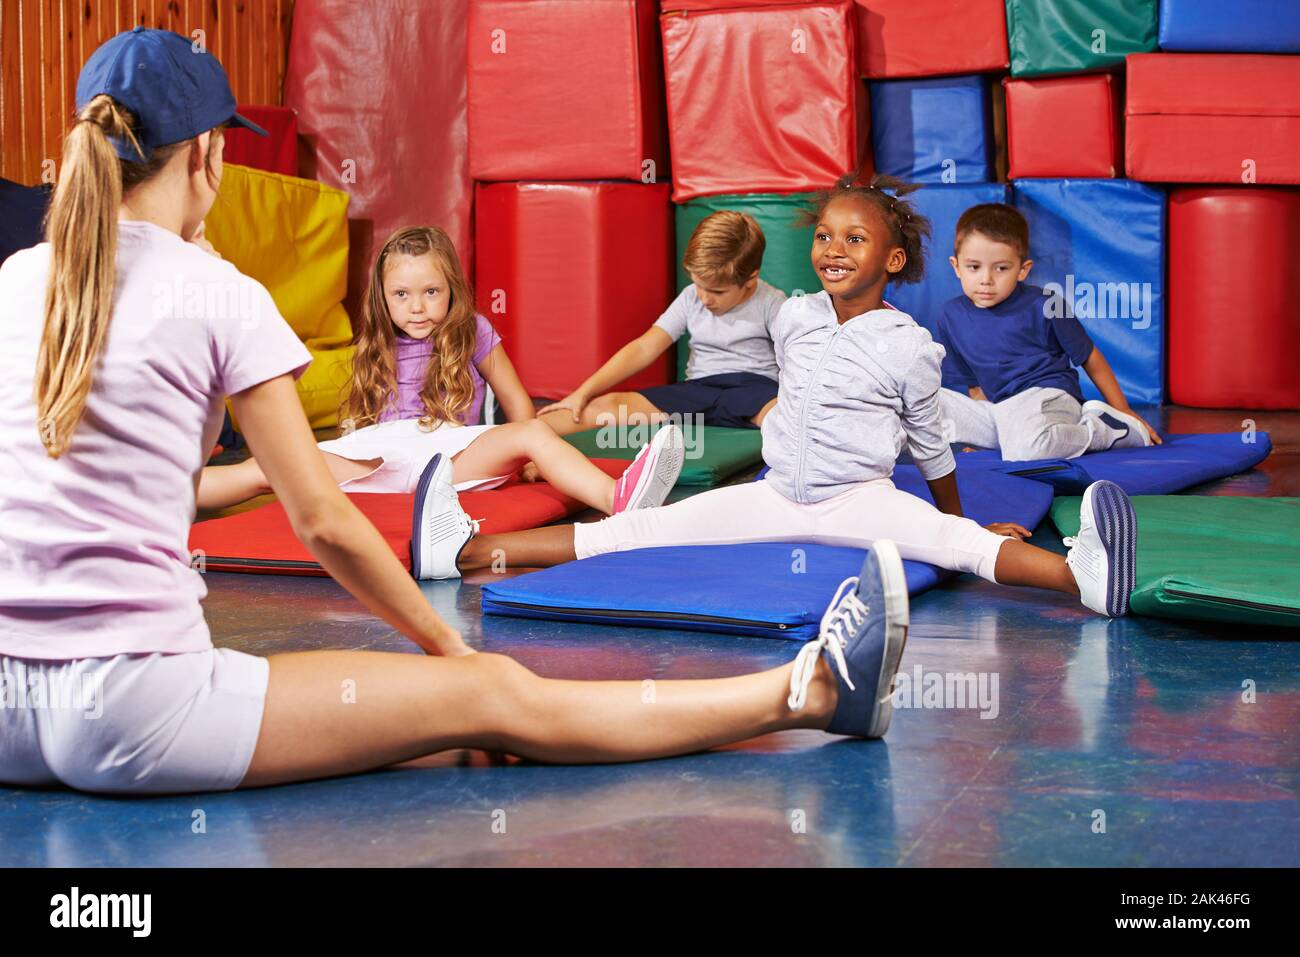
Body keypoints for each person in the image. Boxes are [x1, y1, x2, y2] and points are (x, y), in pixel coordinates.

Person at [0, 29, 908, 796]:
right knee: (495, 693)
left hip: (9, 709)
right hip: (137, 709)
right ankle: (813, 689)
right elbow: (323, 520)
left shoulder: (16, 280)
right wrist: (449, 648)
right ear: (207, 154)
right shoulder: (218, 290)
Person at [421, 173, 1139, 620]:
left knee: (959, 547)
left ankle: (1083, 575)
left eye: (854, 239)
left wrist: (973, 523)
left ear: (892, 261)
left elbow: (929, 443)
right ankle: (465, 551)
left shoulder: (908, 343)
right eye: (825, 235)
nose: (832, 248)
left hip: (859, 496)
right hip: (773, 493)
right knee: (629, 532)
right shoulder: (795, 316)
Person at [197, 225, 685, 530]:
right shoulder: (378, 340)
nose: (417, 307)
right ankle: (155, 496)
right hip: (380, 457)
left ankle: (616, 499)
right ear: (383, 298)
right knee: (267, 467)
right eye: (402, 295)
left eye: (431, 292)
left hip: (452, 456)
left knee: (534, 431)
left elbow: (516, 402)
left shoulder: (474, 329)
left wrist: (527, 458)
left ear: (451, 288)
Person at [936, 202, 1161, 461]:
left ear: (1023, 270)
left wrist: (1123, 410)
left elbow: (1090, 358)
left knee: (1023, 450)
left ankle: (1103, 430)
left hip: (1049, 397)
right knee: (929, 404)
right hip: (1002, 410)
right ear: (956, 266)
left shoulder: (1048, 304)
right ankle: (1008, 438)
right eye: (974, 267)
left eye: (1001, 268)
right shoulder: (948, 316)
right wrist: (979, 433)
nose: (986, 279)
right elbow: (975, 388)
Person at [538, 211, 784, 435]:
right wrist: (582, 393)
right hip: (698, 391)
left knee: (782, 415)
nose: (705, 298)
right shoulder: (690, 297)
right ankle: (525, 440)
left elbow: (796, 363)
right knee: (606, 405)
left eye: (717, 292)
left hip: (753, 389)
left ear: (751, 279)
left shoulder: (773, 303)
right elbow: (645, 348)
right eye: (699, 285)